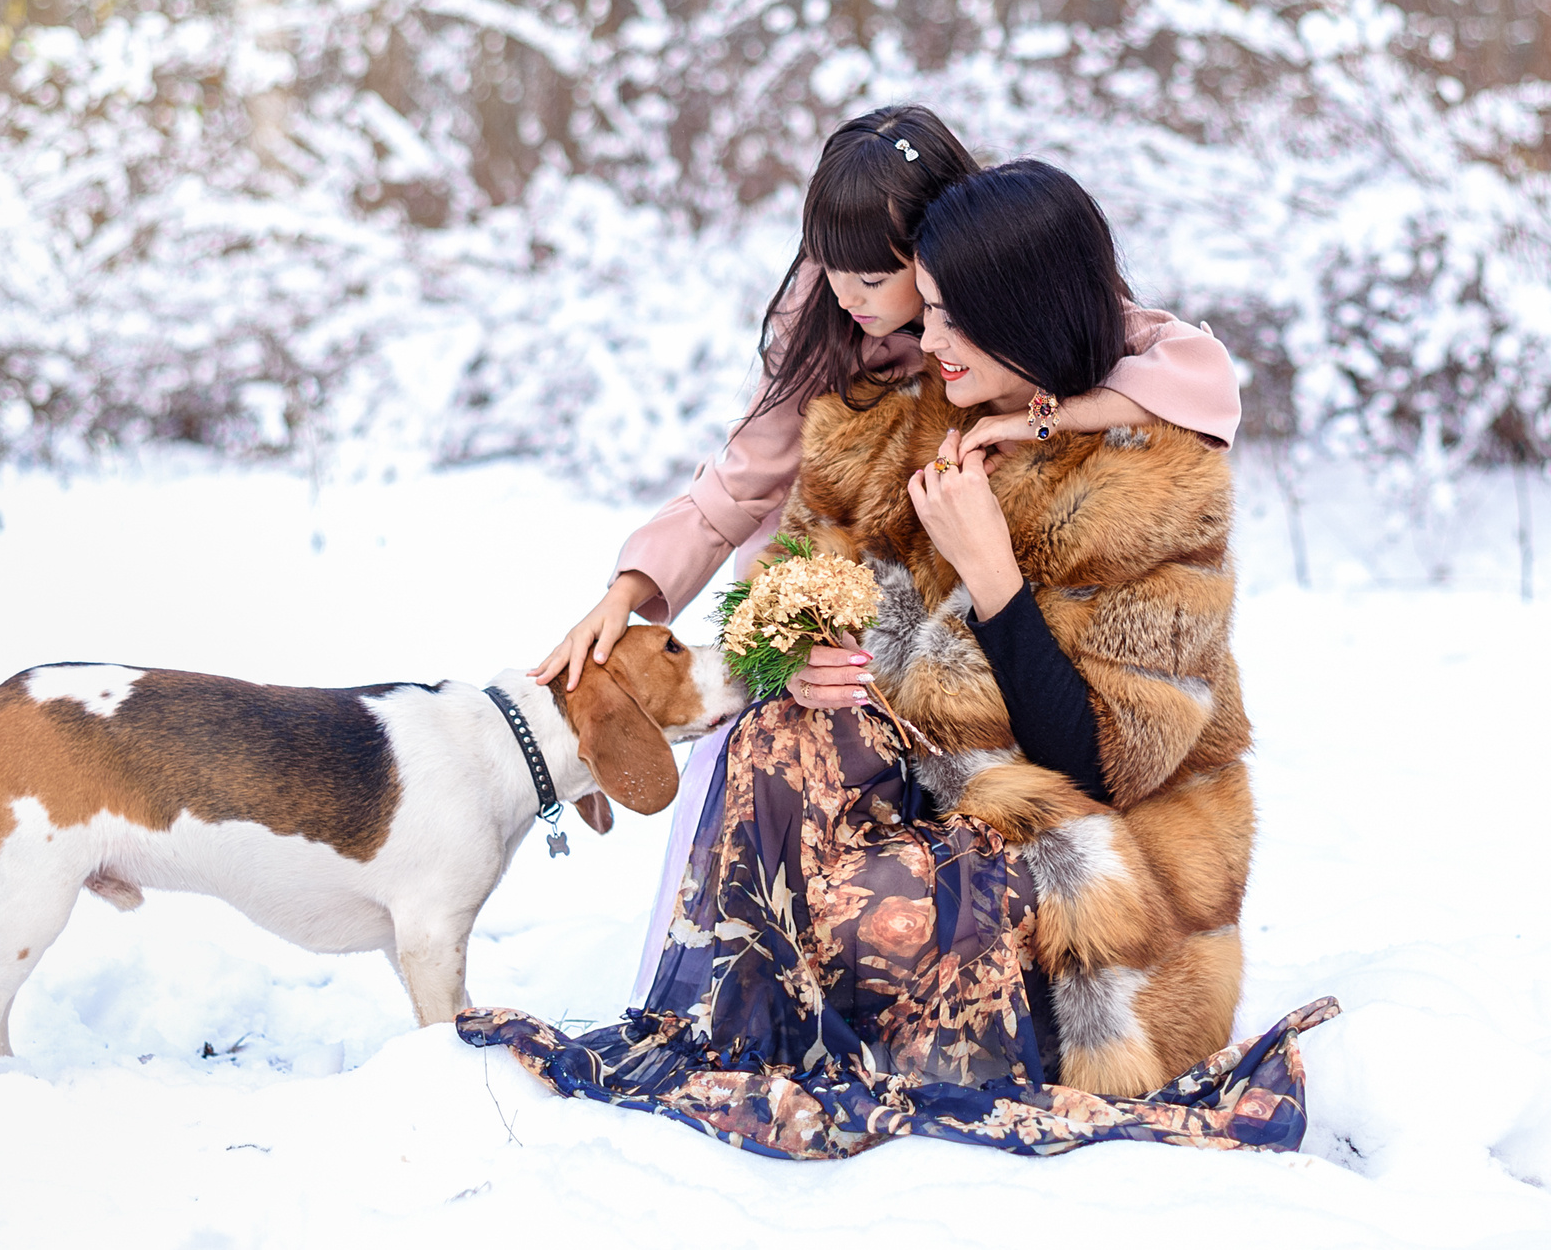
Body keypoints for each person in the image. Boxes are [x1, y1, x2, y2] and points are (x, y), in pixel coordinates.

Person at [461, 160, 1334, 1160]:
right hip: (932, 789)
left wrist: (992, 573)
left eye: (954, 318)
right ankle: (762, 1034)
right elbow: (782, 576)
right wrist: (784, 660)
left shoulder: (1154, 478)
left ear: (1030, 311)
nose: (925, 341)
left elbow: (1107, 767)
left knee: (878, 901)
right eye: (924, 309)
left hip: (1105, 853)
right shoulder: (893, 405)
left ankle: (954, 1026)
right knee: (769, 746)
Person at [530, 105, 1244, 990]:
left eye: (883, 277)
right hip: (889, 663)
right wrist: (656, 601)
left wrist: (1050, 419)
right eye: (831, 269)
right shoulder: (839, 345)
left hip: (1068, 795)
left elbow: (1189, 371)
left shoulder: (1070, 376)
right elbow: (741, 483)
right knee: (761, 757)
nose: (850, 295)